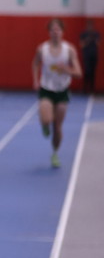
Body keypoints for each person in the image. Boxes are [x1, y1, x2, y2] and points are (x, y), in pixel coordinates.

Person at [32, 18, 82, 168]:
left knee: (58, 126)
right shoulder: (42, 49)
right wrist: (35, 80)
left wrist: (66, 69)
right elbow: (35, 64)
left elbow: (78, 73)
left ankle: (55, 153)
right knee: (46, 119)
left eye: (58, 29)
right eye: (52, 29)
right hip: (46, 89)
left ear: (62, 31)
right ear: (49, 32)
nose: (55, 32)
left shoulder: (69, 50)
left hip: (62, 91)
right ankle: (45, 124)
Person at [80, 19, 99, 94]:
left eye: (91, 26)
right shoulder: (84, 34)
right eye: (88, 26)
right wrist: (87, 40)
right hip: (86, 55)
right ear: (87, 26)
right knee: (87, 71)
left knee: (93, 72)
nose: (90, 27)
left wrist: (93, 39)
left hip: (94, 55)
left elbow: (98, 44)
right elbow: (81, 45)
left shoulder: (96, 34)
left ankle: (92, 89)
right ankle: (85, 88)